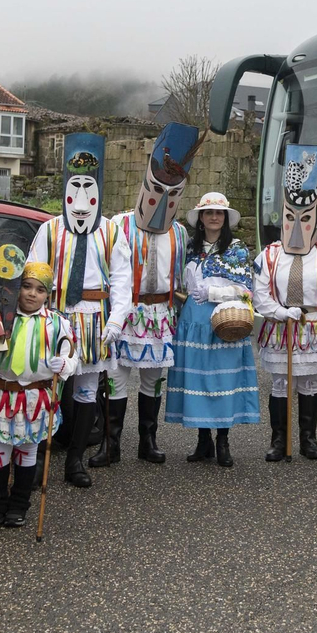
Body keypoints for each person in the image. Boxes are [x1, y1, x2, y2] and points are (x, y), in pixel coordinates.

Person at [101, 122, 202, 467]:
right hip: (126, 311)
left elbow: (184, 276)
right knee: (115, 378)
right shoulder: (120, 225)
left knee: (152, 380)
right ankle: (110, 443)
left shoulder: (179, 233)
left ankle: (148, 440)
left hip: (160, 315)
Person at [26, 133, 117, 488]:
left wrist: (118, 321)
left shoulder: (110, 232)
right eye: (74, 188)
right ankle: (36, 461)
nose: (81, 201)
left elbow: (122, 281)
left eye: (89, 189)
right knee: (45, 386)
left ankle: (75, 460)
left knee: (85, 391)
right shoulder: (49, 230)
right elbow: (33, 274)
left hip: (95, 319)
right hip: (56, 317)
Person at [252, 144, 317, 461]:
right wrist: (279, 312)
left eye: (306, 218)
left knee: (309, 384)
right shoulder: (270, 255)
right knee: (279, 383)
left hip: (313, 328)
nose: (298, 225)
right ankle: (279, 439)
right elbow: (260, 294)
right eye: (291, 217)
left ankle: (308, 439)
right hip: (281, 327)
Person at [0, 261, 77, 529]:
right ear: (16, 288)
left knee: (27, 450)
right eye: (27, 286)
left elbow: (71, 356)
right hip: (2, 395)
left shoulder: (57, 323)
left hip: (34, 397)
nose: (32, 294)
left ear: (48, 295)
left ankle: (19, 505)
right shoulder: (0, 317)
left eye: (40, 290)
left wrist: (64, 365)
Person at [165, 192, 260, 464]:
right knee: (197, 380)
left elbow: (246, 291)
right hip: (193, 322)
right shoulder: (191, 248)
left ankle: (223, 440)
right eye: (209, 213)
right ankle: (203, 439)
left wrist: (214, 292)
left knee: (222, 380)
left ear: (226, 218)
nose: (214, 217)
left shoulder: (237, 249)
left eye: (219, 213)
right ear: (202, 219)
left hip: (225, 322)